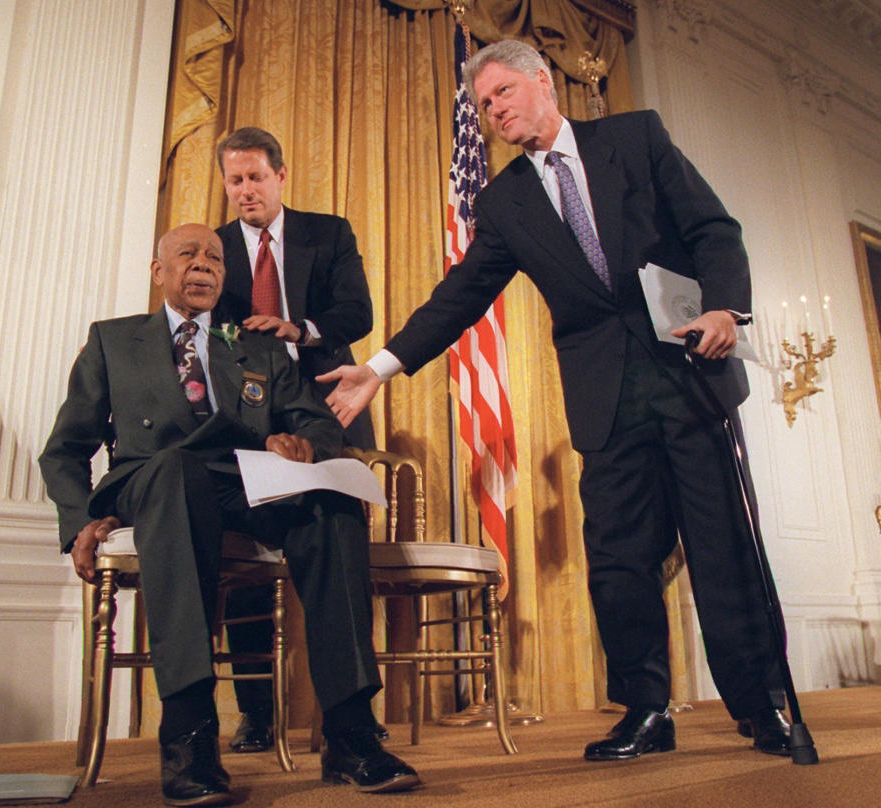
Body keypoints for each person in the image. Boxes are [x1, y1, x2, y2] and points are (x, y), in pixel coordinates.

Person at [319, 39, 791, 761]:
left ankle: (762, 705)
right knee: (618, 558)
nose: (494, 111)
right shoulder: (504, 200)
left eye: (504, 92)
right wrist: (380, 367)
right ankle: (645, 709)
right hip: (606, 397)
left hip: (689, 370)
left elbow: (712, 229)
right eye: (484, 104)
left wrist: (727, 309)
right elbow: (462, 296)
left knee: (722, 545)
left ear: (544, 82)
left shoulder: (635, 138)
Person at [39, 224, 420, 807]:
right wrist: (78, 521)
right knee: (176, 473)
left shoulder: (255, 345)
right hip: (159, 480)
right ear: (158, 270)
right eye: (188, 254)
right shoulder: (113, 341)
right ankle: (189, 736)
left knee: (333, 499)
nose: (203, 265)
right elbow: (65, 448)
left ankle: (350, 732)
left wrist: (304, 447)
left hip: (249, 482)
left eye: (214, 258)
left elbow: (314, 418)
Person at [213, 127, 378, 753]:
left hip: (328, 406)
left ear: (280, 176)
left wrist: (297, 329)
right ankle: (257, 713)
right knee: (252, 565)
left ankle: (349, 717)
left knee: (338, 544)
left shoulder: (326, 233)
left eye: (256, 177)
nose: (246, 190)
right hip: (251, 418)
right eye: (235, 181)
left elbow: (355, 313)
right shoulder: (216, 248)